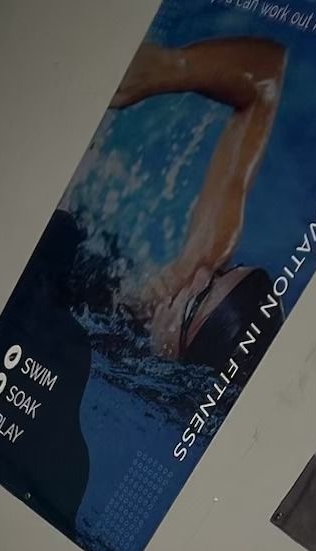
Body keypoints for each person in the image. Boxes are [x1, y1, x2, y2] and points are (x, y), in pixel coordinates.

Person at [110, 35, 286, 368]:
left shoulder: (115, 363)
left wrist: (160, 364)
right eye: (224, 271)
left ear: (178, 350)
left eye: (201, 297)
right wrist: (172, 69)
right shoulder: (196, 271)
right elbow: (266, 78)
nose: (202, 272)